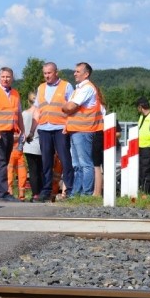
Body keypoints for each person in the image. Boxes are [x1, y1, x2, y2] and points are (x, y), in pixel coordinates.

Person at [26, 62, 74, 202]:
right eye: (45, 73)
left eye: (49, 73)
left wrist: (68, 125)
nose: (47, 76)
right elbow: (37, 111)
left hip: (60, 128)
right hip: (44, 129)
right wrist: (32, 131)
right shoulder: (41, 88)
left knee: (65, 160)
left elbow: (72, 107)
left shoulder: (66, 86)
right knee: (46, 162)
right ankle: (46, 191)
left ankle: (69, 189)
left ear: (56, 72)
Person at [62, 62, 102, 198]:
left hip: (84, 130)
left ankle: (86, 193)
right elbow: (69, 107)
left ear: (86, 74)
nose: (75, 73)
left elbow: (70, 107)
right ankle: (76, 193)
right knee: (77, 165)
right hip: (76, 130)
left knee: (85, 164)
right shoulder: (78, 89)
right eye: (75, 71)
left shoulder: (87, 88)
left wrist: (65, 107)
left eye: (78, 71)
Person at [0, 67, 25, 202]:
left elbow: (18, 114)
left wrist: (22, 130)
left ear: (12, 78)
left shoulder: (15, 93)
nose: (5, 79)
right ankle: (2, 193)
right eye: (3, 77)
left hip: (9, 132)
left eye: (8, 77)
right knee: (0, 162)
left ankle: (0, 193)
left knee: (5, 162)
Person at [22, 91, 43, 202]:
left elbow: (22, 130)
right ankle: (43, 191)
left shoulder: (24, 114)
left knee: (33, 171)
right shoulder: (41, 112)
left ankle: (35, 194)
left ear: (28, 101)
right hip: (41, 144)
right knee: (42, 170)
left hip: (28, 145)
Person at [7, 130, 27, 200]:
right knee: (9, 175)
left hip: (20, 154)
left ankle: (21, 196)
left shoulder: (21, 127)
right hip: (11, 154)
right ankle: (10, 194)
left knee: (23, 175)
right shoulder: (11, 127)